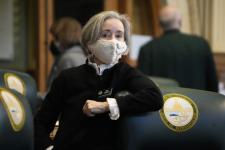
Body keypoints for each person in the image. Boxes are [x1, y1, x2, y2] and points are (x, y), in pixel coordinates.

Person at [34, 11, 163, 150]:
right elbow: (40, 124)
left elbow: (154, 97)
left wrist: (106, 106)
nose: (113, 40)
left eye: (119, 35)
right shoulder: (68, 77)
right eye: (106, 34)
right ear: (90, 42)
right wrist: (48, 148)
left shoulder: (125, 73)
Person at [138, 5, 218, 92]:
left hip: (163, 104)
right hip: (199, 104)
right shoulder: (202, 44)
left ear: (160, 24)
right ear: (180, 20)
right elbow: (213, 84)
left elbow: (143, 87)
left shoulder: (147, 49)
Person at [47, 17, 86, 88]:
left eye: (56, 37)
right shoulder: (81, 55)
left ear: (64, 36)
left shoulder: (67, 59)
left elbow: (59, 92)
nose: (53, 41)